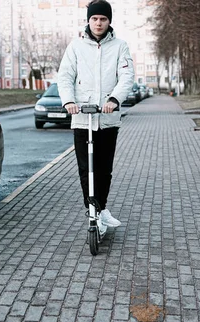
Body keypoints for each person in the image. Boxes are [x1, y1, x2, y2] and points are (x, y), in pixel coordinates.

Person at [57, 0, 134, 232]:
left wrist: (114, 100)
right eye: (94, 19)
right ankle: (94, 211)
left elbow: (127, 76)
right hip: (82, 118)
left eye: (103, 19)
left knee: (104, 168)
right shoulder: (75, 47)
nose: (98, 23)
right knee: (85, 169)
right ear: (88, 21)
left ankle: (101, 209)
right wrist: (69, 101)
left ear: (109, 21)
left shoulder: (120, 46)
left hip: (107, 119)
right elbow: (65, 77)